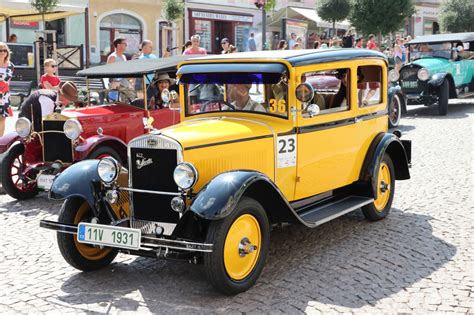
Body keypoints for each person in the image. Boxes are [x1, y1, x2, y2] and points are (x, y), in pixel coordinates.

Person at [107, 37, 135, 102]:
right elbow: (108, 73)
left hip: (125, 86)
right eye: (124, 43)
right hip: (117, 88)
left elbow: (125, 71)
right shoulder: (112, 57)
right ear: (118, 45)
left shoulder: (124, 56)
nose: (126, 45)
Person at [0, 42, 14, 137]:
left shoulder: (10, 65)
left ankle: (0, 141)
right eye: (0, 50)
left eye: (5, 50)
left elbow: (8, 80)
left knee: (3, 118)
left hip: (4, 95)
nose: (2, 52)